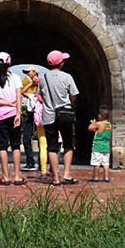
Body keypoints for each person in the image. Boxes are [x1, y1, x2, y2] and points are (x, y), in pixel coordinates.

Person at [39, 49, 80, 186]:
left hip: (49, 115)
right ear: (60, 63)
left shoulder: (43, 78)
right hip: (65, 115)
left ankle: (55, 178)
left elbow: (41, 95)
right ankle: (67, 174)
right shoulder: (67, 77)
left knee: (52, 147)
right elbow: (74, 95)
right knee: (68, 144)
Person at [0, 52, 25, 186]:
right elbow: (19, 96)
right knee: (15, 145)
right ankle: (17, 176)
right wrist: (18, 113)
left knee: (2, 146)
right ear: (9, 63)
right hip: (13, 114)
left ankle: (5, 177)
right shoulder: (15, 78)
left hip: (0, 116)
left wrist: (3, 103)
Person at [20, 67, 40, 172]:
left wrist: (33, 83)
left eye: (29, 72)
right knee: (29, 139)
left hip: (35, 116)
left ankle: (37, 163)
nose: (27, 74)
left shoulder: (38, 89)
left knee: (33, 139)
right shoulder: (27, 82)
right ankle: (34, 162)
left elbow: (23, 92)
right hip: (34, 115)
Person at [87, 105, 112, 182]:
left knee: (96, 163)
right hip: (106, 147)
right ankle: (106, 177)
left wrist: (94, 122)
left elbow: (90, 128)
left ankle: (96, 177)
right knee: (106, 163)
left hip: (98, 147)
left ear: (100, 116)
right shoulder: (109, 125)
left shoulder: (99, 124)